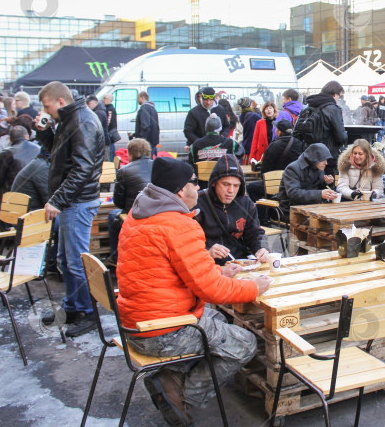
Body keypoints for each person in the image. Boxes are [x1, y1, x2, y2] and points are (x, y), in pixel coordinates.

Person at [117, 157, 270, 425]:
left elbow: (176, 271)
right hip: (162, 331)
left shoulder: (139, 214)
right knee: (244, 343)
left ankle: (171, 376)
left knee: (219, 320)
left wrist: (219, 271)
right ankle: (180, 396)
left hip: (136, 321)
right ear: (179, 190)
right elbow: (211, 290)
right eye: (193, 183)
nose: (197, 189)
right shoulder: (177, 224)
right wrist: (251, 288)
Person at [35, 82, 105, 337]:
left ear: (60, 102)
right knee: (68, 260)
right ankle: (74, 307)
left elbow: (82, 169)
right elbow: (63, 155)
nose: (45, 110)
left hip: (77, 201)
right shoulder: (71, 118)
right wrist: (44, 133)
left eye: (47, 105)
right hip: (73, 200)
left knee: (76, 261)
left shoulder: (82, 120)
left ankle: (87, 312)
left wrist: (58, 199)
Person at [196, 154, 269, 265]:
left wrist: (261, 249)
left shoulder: (246, 202)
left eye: (236, 186)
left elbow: (255, 233)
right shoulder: (198, 202)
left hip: (239, 263)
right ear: (214, 183)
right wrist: (206, 252)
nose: (231, 190)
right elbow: (185, 243)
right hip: (208, 266)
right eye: (226, 184)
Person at [107, 138, 153, 267]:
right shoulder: (159, 166)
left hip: (136, 214)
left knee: (113, 216)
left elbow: (119, 202)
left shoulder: (124, 171)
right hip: (158, 212)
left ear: (130, 154)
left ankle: (116, 257)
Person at [245, 119, 305, 217]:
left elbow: (265, 172)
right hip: (294, 184)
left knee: (251, 188)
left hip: (276, 184)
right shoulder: (300, 144)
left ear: (279, 132)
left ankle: (263, 217)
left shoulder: (273, 146)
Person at [276, 143, 338, 216]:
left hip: (312, 207)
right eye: (323, 160)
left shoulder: (317, 166)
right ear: (314, 158)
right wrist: (320, 194)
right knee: (322, 222)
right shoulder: (292, 169)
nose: (326, 163)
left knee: (335, 215)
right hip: (291, 209)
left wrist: (327, 183)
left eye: (326, 160)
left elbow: (319, 187)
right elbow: (293, 193)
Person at [303, 81, 348, 176]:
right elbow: (341, 137)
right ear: (335, 94)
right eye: (339, 96)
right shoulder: (333, 109)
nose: (339, 99)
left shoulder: (309, 105)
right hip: (328, 156)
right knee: (328, 185)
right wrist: (346, 135)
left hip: (309, 153)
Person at [0, 125, 40, 197]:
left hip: (15, 194)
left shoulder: (6, 153)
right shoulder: (39, 149)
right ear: (27, 137)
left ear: (10, 139)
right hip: (38, 192)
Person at [132, 91, 159, 156]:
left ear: (142, 97)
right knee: (149, 160)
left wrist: (141, 140)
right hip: (152, 139)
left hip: (146, 141)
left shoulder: (144, 108)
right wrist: (135, 134)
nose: (137, 100)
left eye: (138, 98)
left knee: (145, 161)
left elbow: (145, 126)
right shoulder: (152, 108)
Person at [86, 96, 111, 161]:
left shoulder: (99, 113)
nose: (88, 105)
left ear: (95, 102)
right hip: (103, 141)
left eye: (89, 103)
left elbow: (95, 128)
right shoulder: (99, 111)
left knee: (105, 163)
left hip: (103, 142)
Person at [238, 97, 261, 163]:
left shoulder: (240, 117)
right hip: (252, 147)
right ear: (250, 104)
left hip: (244, 147)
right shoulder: (254, 116)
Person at [103, 94, 120, 160]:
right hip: (110, 133)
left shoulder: (110, 109)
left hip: (110, 134)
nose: (103, 100)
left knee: (110, 151)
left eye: (104, 98)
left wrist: (106, 130)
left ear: (109, 99)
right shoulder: (109, 108)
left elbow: (108, 122)